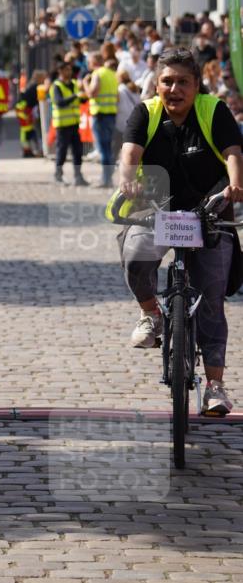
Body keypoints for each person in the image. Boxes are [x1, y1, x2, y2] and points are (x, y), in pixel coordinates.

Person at [115, 47, 243, 415]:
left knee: (211, 302)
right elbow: (129, 155)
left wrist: (235, 184)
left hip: (210, 210)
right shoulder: (146, 112)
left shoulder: (212, 110)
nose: (174, 89)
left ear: (197, 85)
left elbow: (233, 151)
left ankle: (215, 386)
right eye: (167, 81)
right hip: (155, 208)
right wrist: (128, 183)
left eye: (183, 82)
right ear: (157, 84)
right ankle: (151, 313)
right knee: (136, 258)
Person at [49, 62, 88, 186]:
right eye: (66, 70)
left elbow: (81, 100)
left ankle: (78, 176)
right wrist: (75, 96)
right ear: (60, 71)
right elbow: (60, 102)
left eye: (70, 70)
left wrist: (83, 95)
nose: (69, 72)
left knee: (78, 151)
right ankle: (58, 175)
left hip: (75, 123)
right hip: (62, 124)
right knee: (62, 151)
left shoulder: (74, 84)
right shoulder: (56, 86)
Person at [83, 52, 119, 187]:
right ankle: (108, 177)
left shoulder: (97, 74)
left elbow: (92, 93)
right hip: (111, 114)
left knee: (103, 149)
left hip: (100, 115)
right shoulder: (111, 74)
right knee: (108, 148)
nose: (88, 64)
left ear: (95, 61)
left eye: (90, 61)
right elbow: (117, 97)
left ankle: (105, 180)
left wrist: (86, 83)